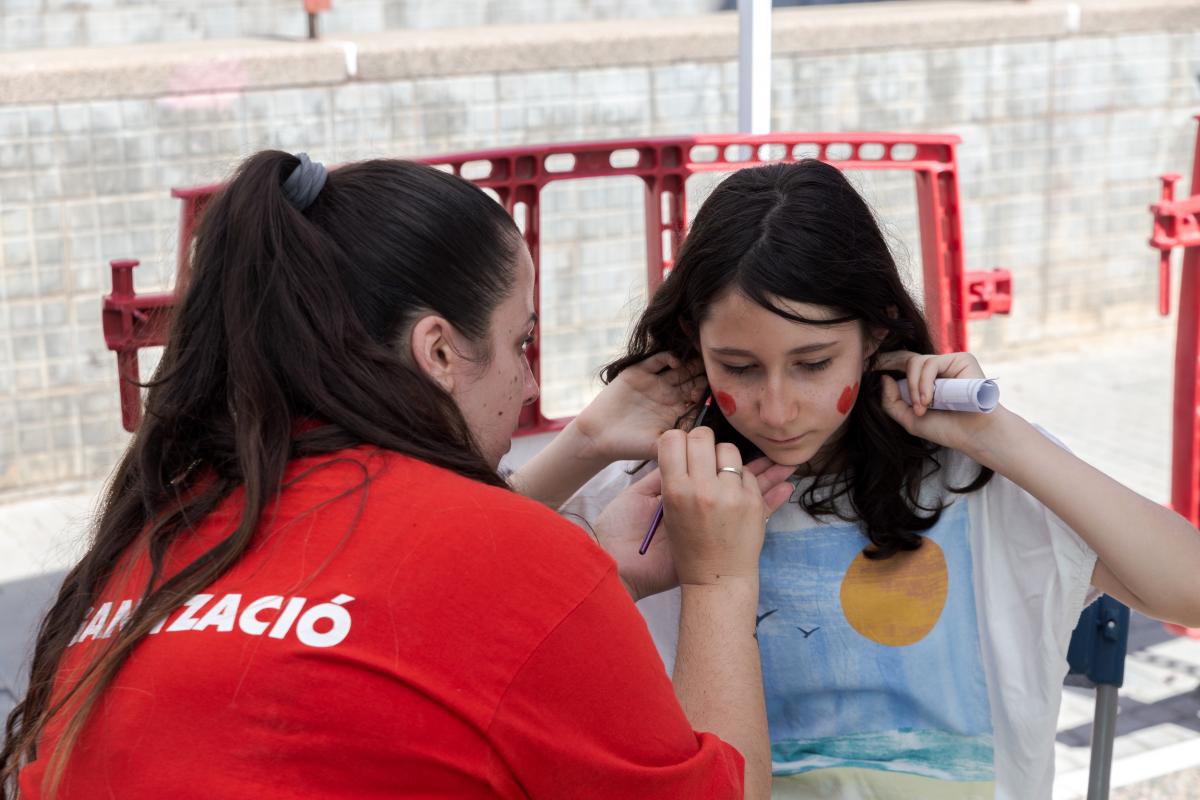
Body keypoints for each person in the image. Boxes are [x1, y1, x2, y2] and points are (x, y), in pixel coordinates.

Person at [0, 150, 797, 800]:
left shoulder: (170, 526)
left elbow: (384, 617)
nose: (528, 389)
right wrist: (719, 578)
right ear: (440, 352)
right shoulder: (515, 559)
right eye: (521, 342)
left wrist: (585, 513)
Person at [562, 159, 1200, 800]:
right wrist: (582, 447)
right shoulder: (651, 495)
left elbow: (1188, 589)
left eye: (813, 363)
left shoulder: (979, 482)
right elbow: (470, 623)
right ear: (692, 347)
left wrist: (995, 434)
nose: (778, 408)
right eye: (739, 367)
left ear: (876, 335)